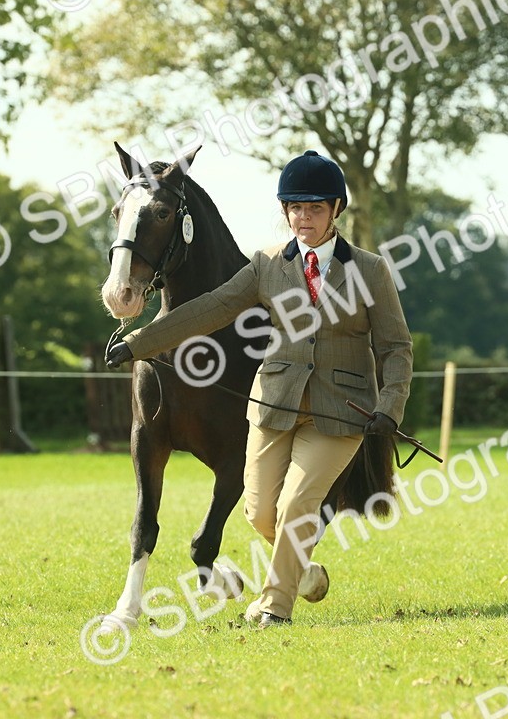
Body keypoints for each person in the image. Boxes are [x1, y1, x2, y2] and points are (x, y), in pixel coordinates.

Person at [105, 149, 413, 628]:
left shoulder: (369, 269)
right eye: (295, 208)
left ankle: (274, 607)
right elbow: (211, 308)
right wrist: (139, 343)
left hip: (339, 411)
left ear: (335, 209)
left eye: (314, 208)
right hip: (275, 405)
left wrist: (390, 406)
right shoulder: (267, 264)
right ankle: (302, 572)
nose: (303, 218)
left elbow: (396, 346)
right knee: (260, 512)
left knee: (296, 505)